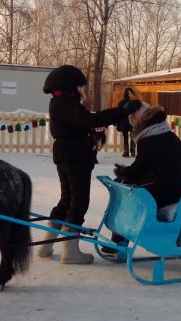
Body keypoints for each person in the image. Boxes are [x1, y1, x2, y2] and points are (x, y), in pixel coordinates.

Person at [38, 65, 141, 264]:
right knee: (78, 201)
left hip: (67, 155)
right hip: (74, 157)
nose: (82, 90)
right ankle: (70, 252)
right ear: (70, 87)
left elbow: (87, 121)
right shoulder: (65, 104)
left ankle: (46, 245)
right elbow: (91, 120)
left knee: (66, 200)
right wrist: (122, 111)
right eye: (79, 87)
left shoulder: (60, 103)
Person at [101, 103, 181, 256]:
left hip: (167, 189)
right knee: (128, 186)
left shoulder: (150, 139)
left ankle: (118, 243)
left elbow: (140, 168)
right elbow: (148, 167)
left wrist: (122, 172)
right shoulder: (164, 134)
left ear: (140, 122)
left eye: (132, 120)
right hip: (174, 185)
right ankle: (118, 241)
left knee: (131, 197)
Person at [116, 87, 138, 157]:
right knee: (133, 136)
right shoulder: (135, 102)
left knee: (125, 137)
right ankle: (133, 151)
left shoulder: (121, 103)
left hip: (124, 122)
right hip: (133, 121)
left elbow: (118, 114)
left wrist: (118, 124)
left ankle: (126, 151)